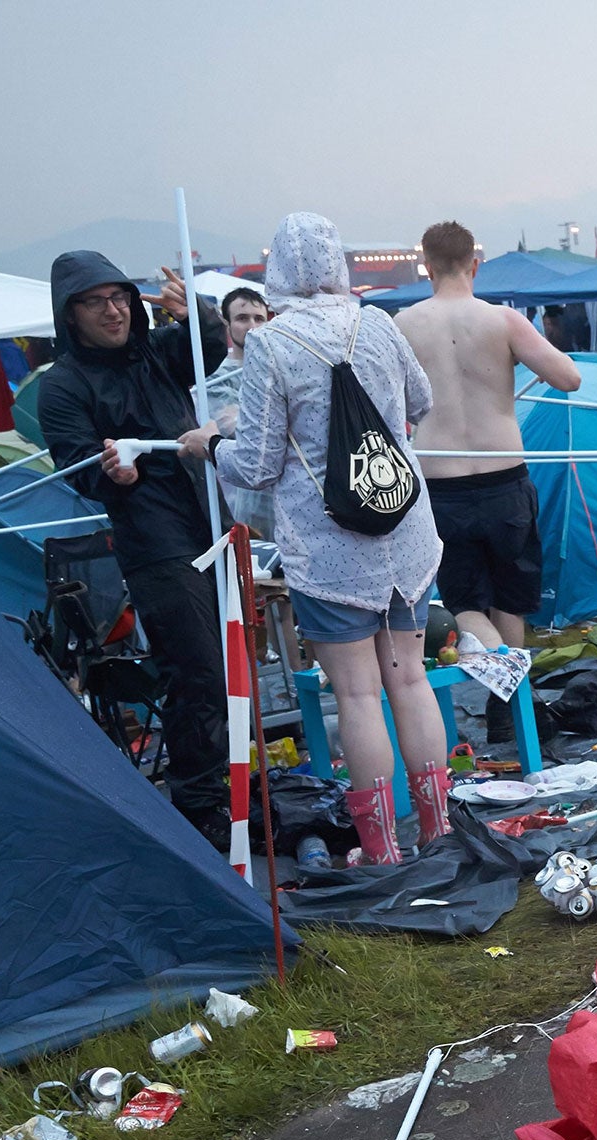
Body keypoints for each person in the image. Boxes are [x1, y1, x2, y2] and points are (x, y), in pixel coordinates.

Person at [178, 213, 445, 866]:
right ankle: (439, 831)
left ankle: (381, 851)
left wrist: (212, 444)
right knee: (410, 680)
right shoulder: (379, 324)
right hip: (403, 526)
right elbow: (421, 398)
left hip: (329, 546)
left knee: (356, 695)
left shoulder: (272, 344)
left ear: (279, 276)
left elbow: (260, 464)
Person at [39, 249, 232, 849]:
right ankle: (200, 803)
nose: (113, 311)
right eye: (95, 302)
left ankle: (236, 785)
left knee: (232, 665)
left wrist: (192, 309)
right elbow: (75, 464)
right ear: (70, 315)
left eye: (119, 297)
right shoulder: (62, 386)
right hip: (153, 540)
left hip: (211, 519)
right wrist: (108, 475)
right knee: (197, 667)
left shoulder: (157, 352)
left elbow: (212, 344)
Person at [393, 219, 580, 733]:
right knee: (510, 598)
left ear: (425, 266)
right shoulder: (502, 321)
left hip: (440, 485)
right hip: (503, 479)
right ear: (476, 265)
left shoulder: (403, 325)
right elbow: (570, 378)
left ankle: (505, 693)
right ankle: (511, 697)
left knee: (464, 602)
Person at [208, 287, 275, 535]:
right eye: (242, 318)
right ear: (227, 325)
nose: (252, 326)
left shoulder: (279, 367)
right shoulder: (217, 377)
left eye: (259, 318)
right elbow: (234, 427)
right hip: (244, 501)